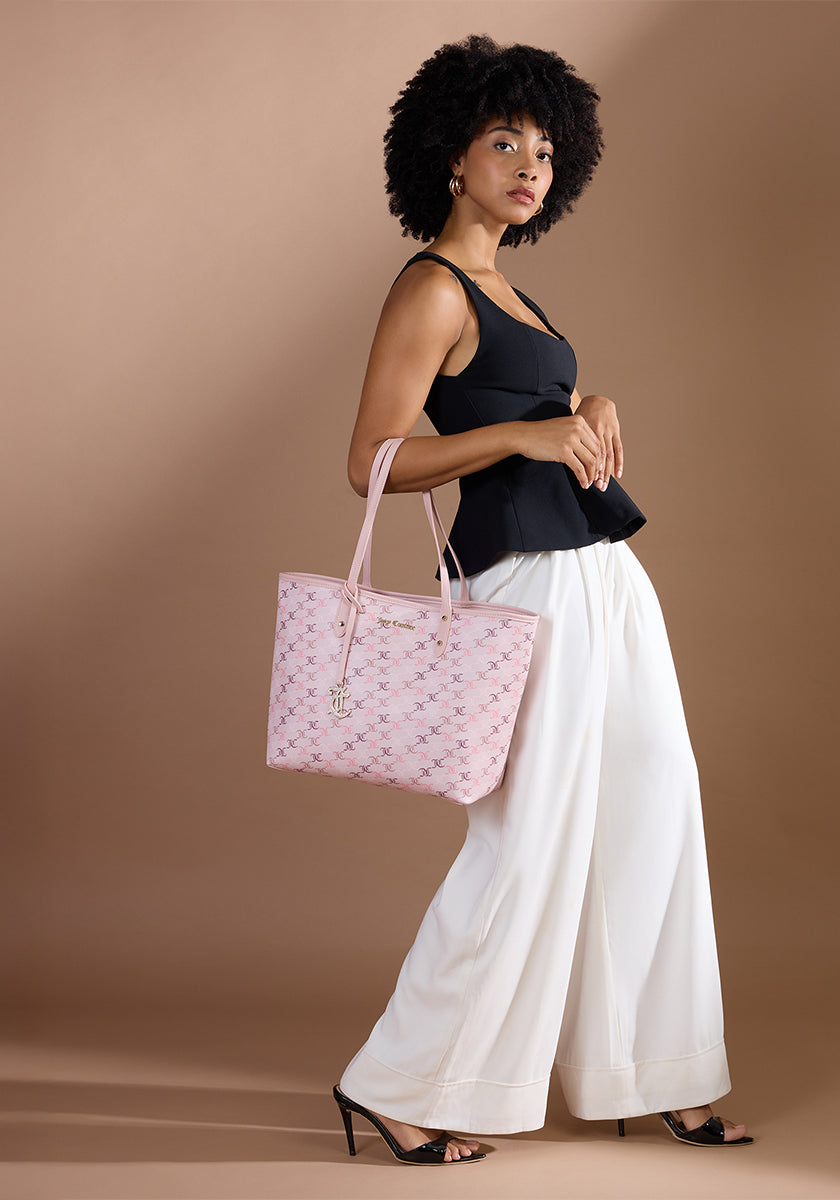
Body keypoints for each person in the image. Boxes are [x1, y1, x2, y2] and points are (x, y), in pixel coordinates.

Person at [331, 34, 754, 1165]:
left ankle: (657, 1072)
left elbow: (536, 408)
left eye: (547, 150)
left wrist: (588, 402)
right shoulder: (431, 286)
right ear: (451, 155)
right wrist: (524, 435)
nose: (530, 165)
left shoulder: (509, 289)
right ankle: (399, 1083)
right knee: (532, 837)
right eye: (505, 141)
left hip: (602, 572)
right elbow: (371, 458)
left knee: (654, 805)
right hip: (525, 581)